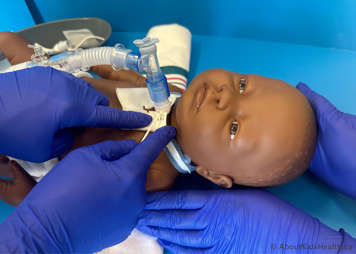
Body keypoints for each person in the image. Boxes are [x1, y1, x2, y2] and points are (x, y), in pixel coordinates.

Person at [136, 84, 356, 253]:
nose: (224, 95)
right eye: (242, 85)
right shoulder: (171, 92)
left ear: (213, 175)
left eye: (234, 128)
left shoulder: (154, 179)